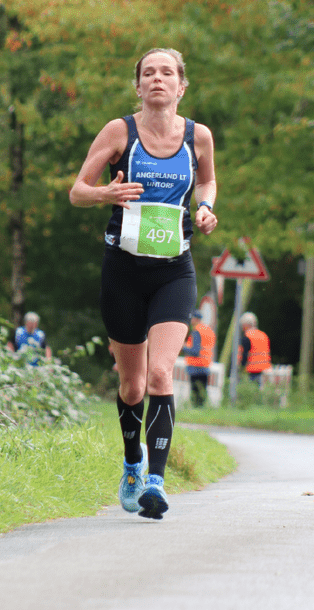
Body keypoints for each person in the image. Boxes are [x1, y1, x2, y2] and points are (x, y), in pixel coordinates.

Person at [70, 48, 218, 520]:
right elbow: (77, 191)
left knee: (160, 375)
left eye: (167, 72)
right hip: (124, 271)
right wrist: (105, 193)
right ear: (138, 86)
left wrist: (206, 208)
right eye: (148, 73)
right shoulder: (120, 132)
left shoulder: (198, 136)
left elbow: (207, 183)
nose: (157, 78)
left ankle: (156, 481)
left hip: (174, 270)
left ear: (181, 86)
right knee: (132, 385)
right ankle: (132, 462)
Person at [181, 310, 215, 407]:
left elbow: (195, 351)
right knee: (202, 393)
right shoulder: (208, 331)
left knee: (196, 395)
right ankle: (202, 410)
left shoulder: (197, 331)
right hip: (205, 365)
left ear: (195, 319)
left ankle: (197, 409)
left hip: (196, 367)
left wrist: (183, 346)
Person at [239, 311, 271, 384]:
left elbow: (244, 355)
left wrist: (241, 367)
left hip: (253, 372)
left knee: (252, 389)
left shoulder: (247, 337)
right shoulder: (263, 335)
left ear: (246, 325)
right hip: (266, 371)